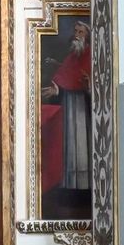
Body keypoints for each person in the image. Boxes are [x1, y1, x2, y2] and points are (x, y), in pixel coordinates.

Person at [40, 20, 92, 202]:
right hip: (71, 104)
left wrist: (88, 85)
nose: (77, 34)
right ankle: (71, 183)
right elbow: (67, 76)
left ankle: (84, 186)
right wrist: (58, 90)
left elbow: (85, 82)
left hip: (82, 108)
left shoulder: (90, 54)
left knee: (80, 143)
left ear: (87, 35)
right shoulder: (73, 55)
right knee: (70, 142)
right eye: (76, 30)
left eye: (81, 31)